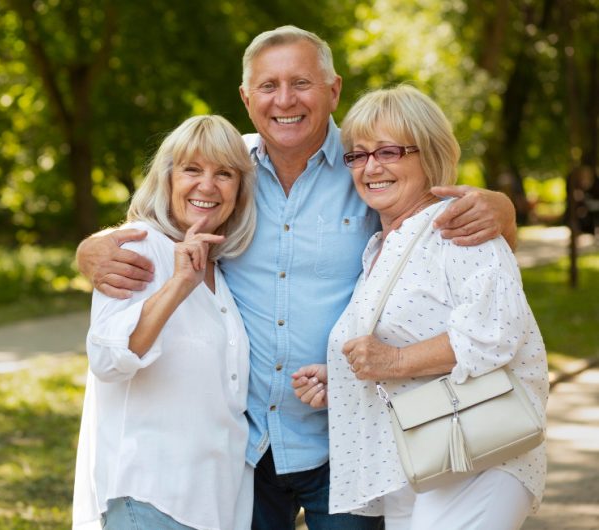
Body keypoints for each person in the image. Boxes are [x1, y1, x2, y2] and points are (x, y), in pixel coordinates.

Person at [76, 26, 518, 530]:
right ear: (247, 98)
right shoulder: (226, 171)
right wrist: (89, 250)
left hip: (347, 442)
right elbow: (159, 219)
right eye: (268, 86)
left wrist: (502, 211)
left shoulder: (366, 169)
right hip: (246, 453)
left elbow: (436, 228)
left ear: (333, 91)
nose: (284, 99)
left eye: (302, 83)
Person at [293, 85, 548, 529]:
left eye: (388, 151)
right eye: (358, 155)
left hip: (480, 453)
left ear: (428, 154)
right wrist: (346, 376)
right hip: (419, 457)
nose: (371, 167)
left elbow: (494, 334)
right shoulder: (379, 247)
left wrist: (392, 360)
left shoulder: (457, 225)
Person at [72, 115, 257, 530]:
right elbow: (107, 357)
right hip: (151, 500)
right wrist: (178, 285)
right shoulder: (138, 245)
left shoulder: (222, 271)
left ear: (240, 191)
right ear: (168, 178)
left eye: (224, 173)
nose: (207, 186)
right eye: (192, 169)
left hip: (215, 507)